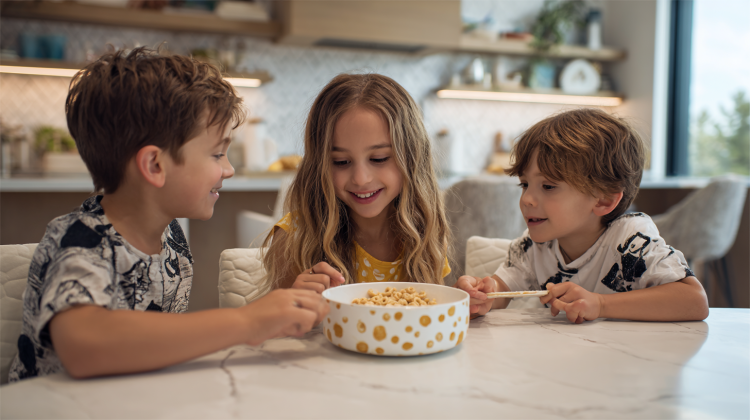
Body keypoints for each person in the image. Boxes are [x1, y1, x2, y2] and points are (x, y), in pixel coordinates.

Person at [8, 48, 328, 382]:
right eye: (217, 154)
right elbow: (83, 346)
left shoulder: (171, 237)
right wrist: (248, 322)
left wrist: (279, 316)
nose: (229, 169)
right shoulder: (81, 240)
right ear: (154, 165)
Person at [456, 108, 709, 323]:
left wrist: (601, 304)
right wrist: (485, 294)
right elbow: (503, 289)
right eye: (524, 185)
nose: (526, 199)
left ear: (604, 200)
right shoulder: (536, 245)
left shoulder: (629, 241)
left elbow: (694, 300)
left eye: (548, 186)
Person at [259, 73, 451, 295]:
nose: (361, 179)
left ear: (412, 158)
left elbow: (433, 311)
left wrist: (465, 302)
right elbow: (274, 324)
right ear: (319, 165)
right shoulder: (295, 237)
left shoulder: (424, 230)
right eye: (341, 162)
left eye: (379, 158)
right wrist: (294, 302)